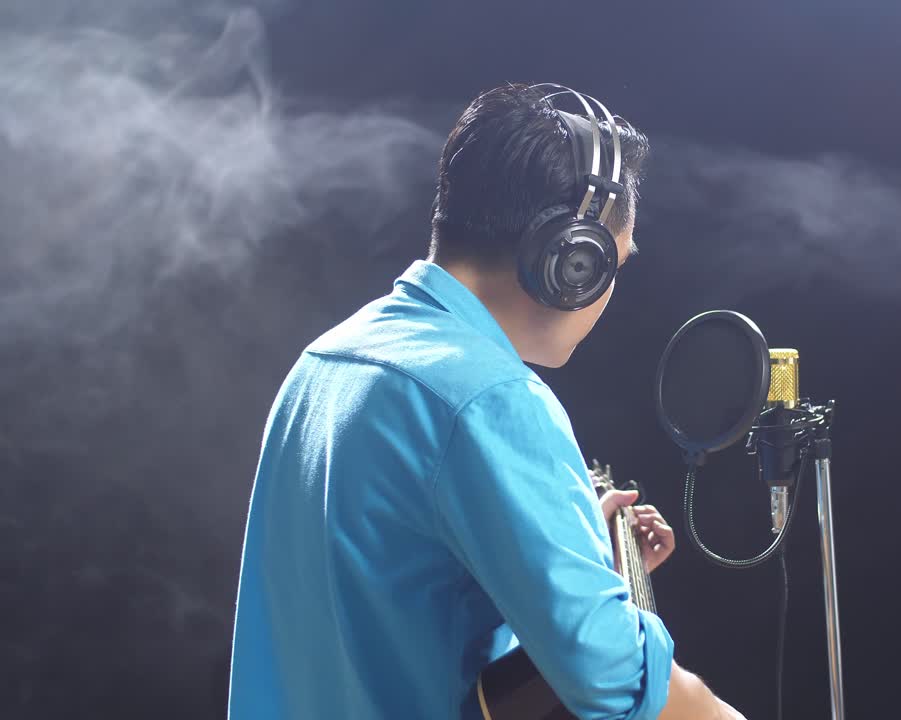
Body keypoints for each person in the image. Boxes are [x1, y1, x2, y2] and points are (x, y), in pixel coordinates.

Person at [227, 83, 746, 720]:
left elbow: (386, 614)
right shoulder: (490, 399)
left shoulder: (328, 360)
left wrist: (576, 562)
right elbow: (608, 675)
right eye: (615, 262)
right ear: (573, 260)